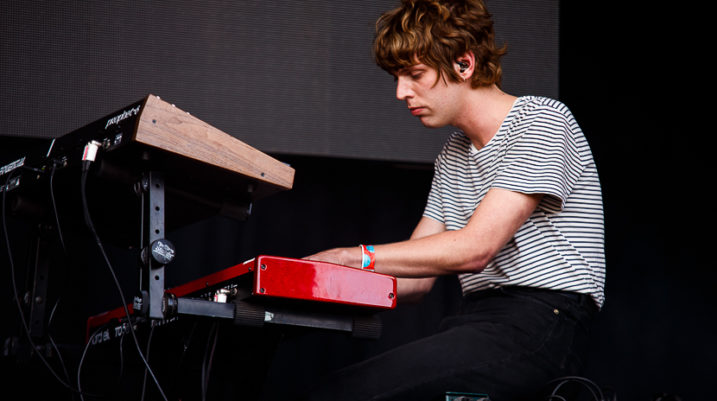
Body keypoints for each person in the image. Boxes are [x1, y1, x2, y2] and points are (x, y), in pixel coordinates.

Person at [303, 0, 605, 400]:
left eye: (415, 75)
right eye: (397, 78)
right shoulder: (453, 154)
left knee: (346, 393)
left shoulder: (542, 121)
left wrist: (350, 257)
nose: (401, 92)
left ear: (464, 64)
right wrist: (311, 285)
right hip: (477, 318)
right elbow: (416, 280)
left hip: (543, 323)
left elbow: (476, 248)